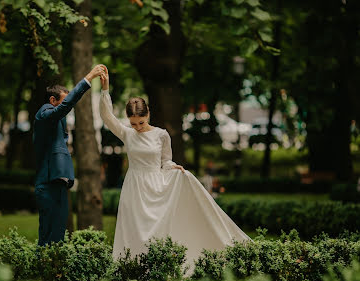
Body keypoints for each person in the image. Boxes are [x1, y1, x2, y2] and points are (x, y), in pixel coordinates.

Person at [98, 66, 251, 268]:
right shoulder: (127, 134)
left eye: (141, 123)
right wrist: (105, 89)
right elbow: (107, 116)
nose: (138, 128)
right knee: (134, 229)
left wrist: (173, 168)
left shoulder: (161, 134)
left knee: (158, 228)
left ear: (148, 115)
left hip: (156, 185)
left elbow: (165, 160)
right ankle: (132, 269)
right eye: (133, 124)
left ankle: (159, 266)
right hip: (134, 187)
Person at [33, 64, 105, 246]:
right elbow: (63, 108)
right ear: (52, 100)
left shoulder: (56, 120)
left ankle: (55, 271)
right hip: (47, 184)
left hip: (58, 183)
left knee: (58, 236)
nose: (67, 107)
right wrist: (88, 78)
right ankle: (44, 270)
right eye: (63, 101)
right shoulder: (44, 113)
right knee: (48, 237)